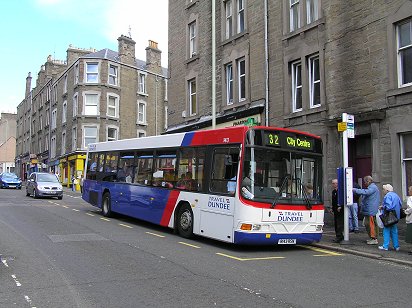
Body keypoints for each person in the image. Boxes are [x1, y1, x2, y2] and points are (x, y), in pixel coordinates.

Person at [353, 175, 380, 245]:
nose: (365, 183)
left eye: (365, 182)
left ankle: (374, 238)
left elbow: (366, 192)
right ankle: (372, 237)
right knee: (368, 224)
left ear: (368, 181)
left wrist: (355, 190)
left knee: (370, 224)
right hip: (369, 209)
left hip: (370, 209)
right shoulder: (372, 187)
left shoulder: (373, 187)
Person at [378, 184, 401, 251]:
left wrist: (382, 207)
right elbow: (400, 204)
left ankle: (385, 246)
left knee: (386, 230)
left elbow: (388, 206)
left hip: (388, 216)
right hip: (396, 216)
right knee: (394, 231)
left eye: (383, 189)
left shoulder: (387, 196)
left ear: (387, 190)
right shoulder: (396, 195)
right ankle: (396, 246)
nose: (383, 191)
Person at [331, 179, 344, 243]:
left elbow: (343, 200)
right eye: (332, 183)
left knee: (340, 223)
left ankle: (340, 237)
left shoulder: (341, 191)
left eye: (334, 183)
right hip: (335, 209)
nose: (333, 185)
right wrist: (332, 209)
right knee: (336, 223)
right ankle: (337, 236)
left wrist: (341, 206)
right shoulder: (333, 191)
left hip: (340, 210)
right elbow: (333, 201)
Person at [405, 185, 412, 255]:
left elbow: (410, 208)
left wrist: (405, 211)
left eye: (409, 190)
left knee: (410, 235)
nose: (408, 191)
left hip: (411, 219)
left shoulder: (410, 198)